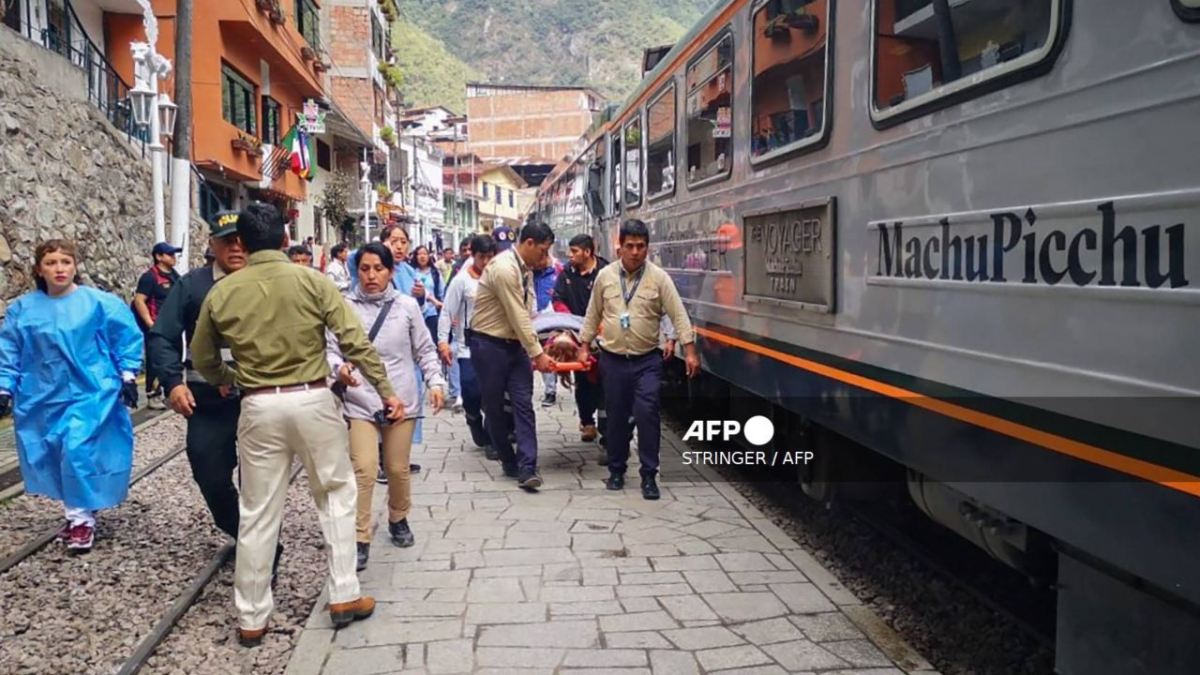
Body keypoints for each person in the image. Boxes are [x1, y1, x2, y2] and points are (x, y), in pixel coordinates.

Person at [190, 202, 402, 646]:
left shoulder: (223, 292)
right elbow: (354, 343)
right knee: (335, 495)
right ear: (286, 239)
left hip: (259, 405)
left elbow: (204, 357)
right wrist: (385, 391)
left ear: (242, 244)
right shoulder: (314, 282)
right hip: (313, 399)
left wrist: (230, 379)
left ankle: (251, 617)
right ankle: (344, 594)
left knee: (258, 510)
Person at [0, 240, 142, 552]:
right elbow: (9, 350)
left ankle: (81, 521)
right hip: (41, 396)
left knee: (77, 449)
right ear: (39, 269)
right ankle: (78, 509)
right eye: (51, 262)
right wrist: (4, 386)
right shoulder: (23, 310)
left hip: (92, 391)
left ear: (75, 266)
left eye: (65, 261)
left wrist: (128, 375)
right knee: (53, 453)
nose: (59, 268)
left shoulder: (99, 303)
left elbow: (125, 338)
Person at [328, 242, 446, 571]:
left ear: (391, 272)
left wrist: (435, 382)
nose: (371, 276)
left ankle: (398, 517)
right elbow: (330, 349)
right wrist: (338, 369)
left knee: (396, 468)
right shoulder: (343, 306)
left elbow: (424, 350)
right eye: (364, 269)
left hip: (400, 398)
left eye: (378, 269)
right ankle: (360, 537)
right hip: (359, 399)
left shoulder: (407, 306)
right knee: (364, 470)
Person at [579, 219, 700, 501]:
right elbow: (592, 313)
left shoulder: (659, 278)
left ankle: (649, 475)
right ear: (619, 246)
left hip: (647, 360)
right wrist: (584, 346)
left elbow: (678, 313)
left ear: (648, 248)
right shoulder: (606, 277)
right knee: (617, 418)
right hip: (613, 359)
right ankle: (617, 470)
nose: (635, 252)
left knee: (647, 415)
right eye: (630, 246)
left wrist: (690, 350)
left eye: (641, 246)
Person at [147, 211, 248, 543]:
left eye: (241, 241)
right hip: (207, 400)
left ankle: (262, 548)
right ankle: (238, 529)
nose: (236, 248)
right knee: (209, 472)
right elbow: (162, 337)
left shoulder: (268, 281)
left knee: (261, 479)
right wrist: (174, 383)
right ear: (212, 245)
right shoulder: (192, 286)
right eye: (227, 242)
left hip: (258, 398)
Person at [468, 222, 557, 490]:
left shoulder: (525, 270)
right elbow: (517, 315)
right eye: (543, 251)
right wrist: (538, 354)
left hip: (515, 347)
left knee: (523, 404)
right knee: (494, 408)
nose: (546, 257)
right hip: (489, 345)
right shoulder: (505, 269)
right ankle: (508, 460)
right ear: (528, 243)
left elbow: (528, 316)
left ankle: (527, 466)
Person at [438, 235, 499, 460]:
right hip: (467, 346)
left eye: (490, 257)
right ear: (473, 256)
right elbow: (448, 311)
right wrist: (443, 341)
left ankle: (494, 439)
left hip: (494, 344)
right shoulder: (461, 281)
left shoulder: (498, 278)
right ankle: (473, 418)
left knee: (493, 394)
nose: (485, 262)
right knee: (472, 390)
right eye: (481, 257)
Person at [552, 234, 610, 447]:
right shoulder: (567, 273)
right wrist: (569, 323)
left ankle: (607, 432)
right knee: (584, 382)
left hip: (605, 336)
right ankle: (587, 421)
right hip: (578, 336)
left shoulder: (607, 272)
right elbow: (557, 299)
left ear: (588, 252)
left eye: (575, 251)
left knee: (606, 383)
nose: (570, 255)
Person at [132, 241, 182, 409]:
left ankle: (171, 392)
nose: (173, 257)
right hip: (156, 327)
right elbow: (139, 300)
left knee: (174, 357)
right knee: (155, 361)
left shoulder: (174, 275)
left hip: (173, 326)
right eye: (170, 254)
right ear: (159, 257)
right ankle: (153, 395)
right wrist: (150, 323)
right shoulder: (149, 277)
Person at [533, 251, 564, 407]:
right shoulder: (530, 272)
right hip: (534, 318)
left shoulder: (559, 270)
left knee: (549, 350)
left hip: (553, 318)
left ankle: (550, 391)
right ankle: (549, 388)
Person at [410, 245, 444, 343]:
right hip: (415, 313)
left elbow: (441, 293)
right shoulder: (411, 272)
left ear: (429, 256)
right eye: (419, 254)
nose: (422, 256)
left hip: (432, 314)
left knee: (432, 342)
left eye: (425, 254)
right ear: (415, 256)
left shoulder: (435, 273)